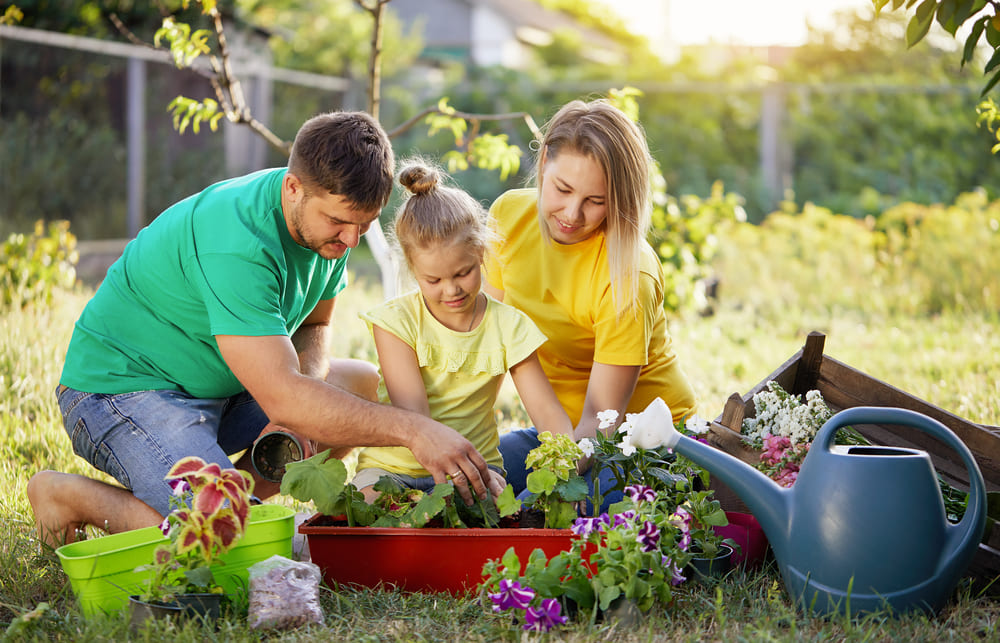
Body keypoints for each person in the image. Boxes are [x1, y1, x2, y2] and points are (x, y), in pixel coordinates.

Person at [27, 111, 494, 548]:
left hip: (225, 389)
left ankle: (230, 501)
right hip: (124, 394)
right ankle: (68, 496)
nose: (352, 240)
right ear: (293, 188)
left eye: (364, 225)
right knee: (229, 536)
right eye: (338, 222)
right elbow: (283, 396)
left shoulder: (330, 226)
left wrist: (306, 387)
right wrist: (416, 431)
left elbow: (316, 323)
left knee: (358, 384)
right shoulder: (238, 243)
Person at [482, 99, 699, 506]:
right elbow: (488, 342)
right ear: (544, 159)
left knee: (534, 510)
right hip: (560, 436)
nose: (571, 213)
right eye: (562, 189)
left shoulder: (628, 273)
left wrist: (536, 493)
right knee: (479, 475)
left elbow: (601, 420)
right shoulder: (509, 216)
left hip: (641, 446)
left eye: (595, 201)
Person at [352, 161, 574, 502]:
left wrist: (567, 468)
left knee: (481, 514)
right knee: (365, 502)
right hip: (394, 471)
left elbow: (548, 415)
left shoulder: (509, 326)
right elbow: (417, 423)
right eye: (434, 280)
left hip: (475, 468)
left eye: (463, 273)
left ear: (482, 253)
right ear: (412, 269)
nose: (451, 290)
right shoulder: (397, 322)